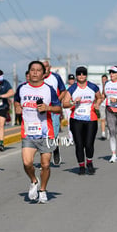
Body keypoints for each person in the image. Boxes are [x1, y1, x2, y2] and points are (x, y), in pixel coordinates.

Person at [14, 61, 62, 203]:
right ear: (29, 72)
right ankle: (34, 181)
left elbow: (58, 108)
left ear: (43, 73)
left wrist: (47, 108)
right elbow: (16, 101)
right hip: (28, 131)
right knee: (27, 163)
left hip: (46, 132)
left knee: (45, 164)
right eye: (32, 70)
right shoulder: (22, 88)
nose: (35, 72)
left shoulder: (48, 89)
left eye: (38, 70)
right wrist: (17, 107)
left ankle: (43, 190)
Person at [63, 67, 102, 175]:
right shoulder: (72, 88)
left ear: (86, 75)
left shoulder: (92, 86)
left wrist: (97, 104)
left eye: (83, 74)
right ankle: (81, 166)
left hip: (91, 119)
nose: (81, 76)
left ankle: (89, 162)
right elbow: (64, 103)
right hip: (76, 119)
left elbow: (100, 97)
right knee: (79, 144)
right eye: (79, 74)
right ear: (76, 76)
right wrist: (73, 102)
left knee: (89, 144)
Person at [42, 60, 67, 166]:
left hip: (53, 110)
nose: (45, 69)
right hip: (42, 111)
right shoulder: (38, 79)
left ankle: (56, 150)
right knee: (43, 135)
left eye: (46, 66)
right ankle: (44, 159)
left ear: (50, 67)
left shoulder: (56, 77)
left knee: (54, 134)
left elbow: (63, 91)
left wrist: (57, 101)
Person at [63, 73, 76, 145]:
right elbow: (64, 96)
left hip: (76, 106)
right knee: (69, 122)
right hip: (68, 107)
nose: (71, 81)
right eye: (70, 79)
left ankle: (76, 137)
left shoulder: (77, 86)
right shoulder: (66, 87)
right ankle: (71, 138)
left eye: (72, 79)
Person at [98, 74, 109, 140]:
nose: (103, 81)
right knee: (103, 119)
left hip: (109, 105)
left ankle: (109, 132)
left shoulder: (110, 86)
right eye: (102, 80)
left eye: (105, 80)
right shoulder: (99, 87)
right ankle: (103, 133)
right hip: (102, 105)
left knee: (109, 120)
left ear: (107, 80)